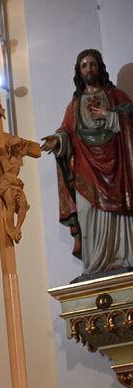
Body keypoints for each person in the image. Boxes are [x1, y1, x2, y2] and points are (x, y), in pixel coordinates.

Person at [41, 49, 133, 277]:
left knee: (118, 213)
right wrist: (58, 140)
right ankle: (95, 266)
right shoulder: (73, 106)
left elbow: (130, 122)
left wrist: (109, 115)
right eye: (84, 65)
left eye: (92, 64)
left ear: (99, 67)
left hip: (116, 168)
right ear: (79, 71)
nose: (89, 69)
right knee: (87, 212)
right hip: (85, 169)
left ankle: (122, 258)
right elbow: (67, 132)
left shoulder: (117, 96)